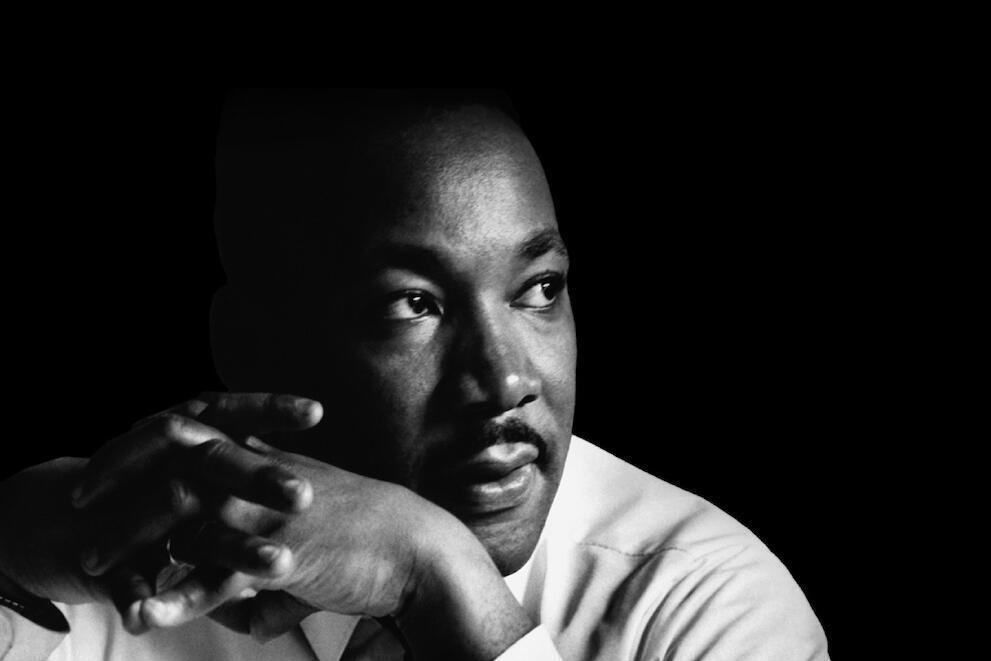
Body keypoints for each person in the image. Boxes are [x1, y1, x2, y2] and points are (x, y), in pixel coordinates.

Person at [0, 89, 830, 660]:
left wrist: (440, 580)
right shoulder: (120, 571)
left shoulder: (703, 603)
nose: (505, 380)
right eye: (414, 304)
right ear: (248, 347)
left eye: (538, 290)